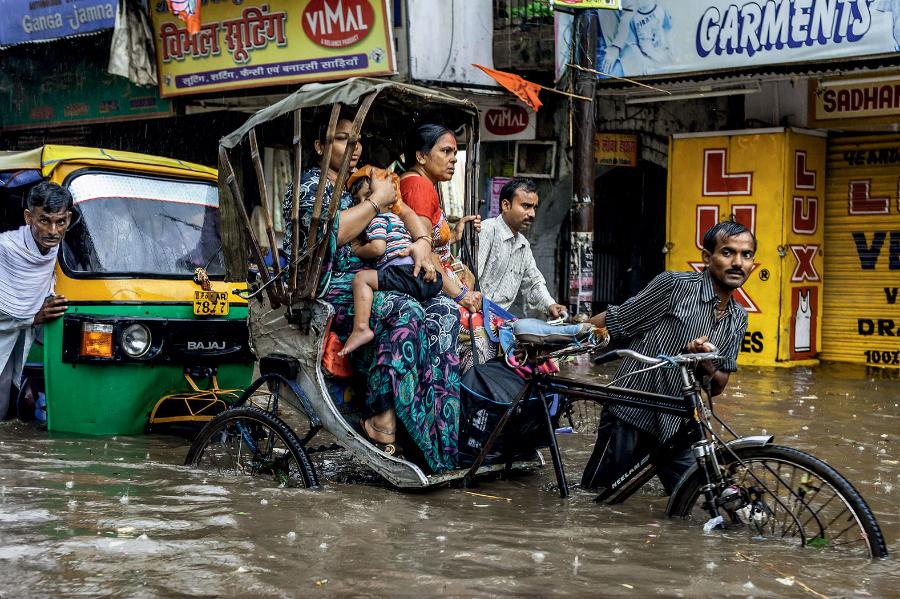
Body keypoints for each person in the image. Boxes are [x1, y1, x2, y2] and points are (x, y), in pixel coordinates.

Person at [282, 111, 461, 473]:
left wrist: (423, 242)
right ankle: (382, 419)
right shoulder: (310, 189)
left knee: (445, 312)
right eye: (342, 139)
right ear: (319, 146)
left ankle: (438, 434)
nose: (354, 147)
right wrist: (376, 203)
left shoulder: (364, 182)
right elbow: (328, 235)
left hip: (376, 280)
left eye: (357, 140)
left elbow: (408, 214)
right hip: (329, 289)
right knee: (405, 309)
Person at [581, 221, 755, 494]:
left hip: (677, 423)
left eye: (746, 255)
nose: (737, 262)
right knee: (598, 497)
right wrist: (564, 343)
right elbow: (618, 321)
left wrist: (705, 361)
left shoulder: (738, 318)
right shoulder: (674, 286)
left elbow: (719, 385)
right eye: (727, 253)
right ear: (707, 258)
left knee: (697, 499)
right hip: (631, 411)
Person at [339, 167, 443, 356]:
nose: (364, 203)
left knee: (362, 279)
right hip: (426, 279)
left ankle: (361, 328)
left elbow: (378, 248)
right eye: (358, 201)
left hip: (402, 273)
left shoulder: (376, 219)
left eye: (370, 196)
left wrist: (357, 249)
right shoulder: (397, 219)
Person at [0, 182, 71, 420]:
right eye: (44, 221)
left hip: (30, 339)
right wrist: (34, 316)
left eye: (60, 222)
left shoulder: (66, 254)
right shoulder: (5, 248)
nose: (53, 230)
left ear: (68, 220)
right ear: (29, 217)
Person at [399, 124, 482, 315]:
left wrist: (454, 234)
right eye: (445, 151)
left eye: (453, 152)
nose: (453, 159)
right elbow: (424, 249)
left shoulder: (412, 181)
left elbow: (426, 237)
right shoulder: (419, 187)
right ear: (421, 156)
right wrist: (460, 296)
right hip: (429, 288)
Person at [477, 177, 566, 318]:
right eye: (526, 206)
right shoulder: (487, 231)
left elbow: (533, 282)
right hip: (474, 317)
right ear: (506, 205)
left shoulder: (523, 245)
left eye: (534, 208)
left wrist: (550, 305)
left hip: (498, 322)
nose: (532, 214)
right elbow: (467, 280)